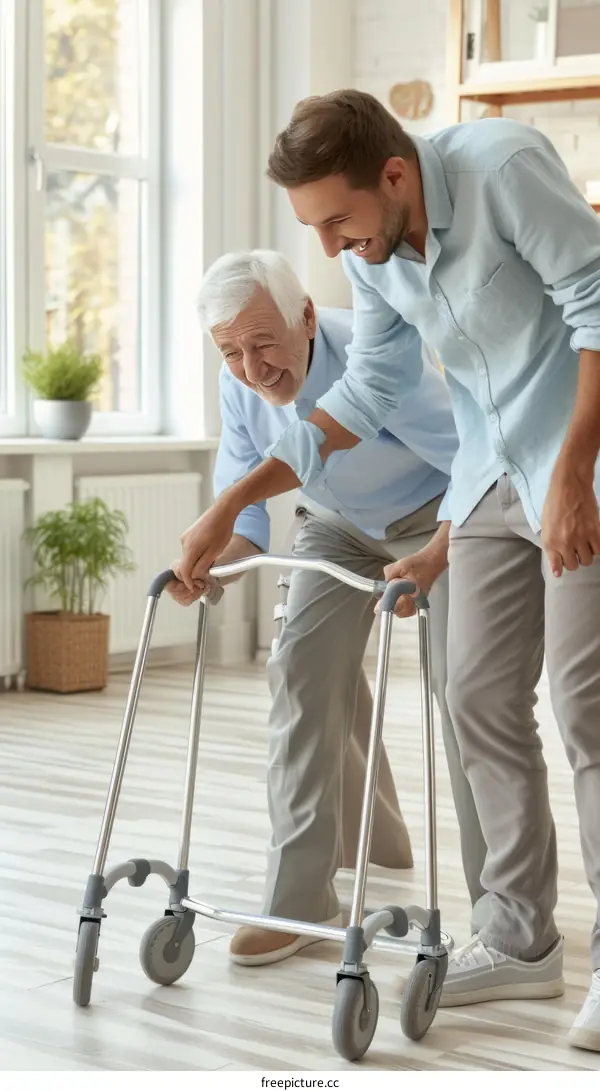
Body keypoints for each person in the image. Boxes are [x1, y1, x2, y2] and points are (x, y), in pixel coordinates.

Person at [174, 92, 600, 1049]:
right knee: (477, 695)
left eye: (337, 219)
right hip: (490, 473)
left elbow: (598, 298)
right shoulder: (373, 254)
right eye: (311, 226)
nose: (328, 247)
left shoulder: (503, 169)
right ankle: (520, 938)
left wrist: (575, 472)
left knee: (586, 704)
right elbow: (371, 387)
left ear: (397, 177)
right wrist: (228, 505)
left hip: (584, 454)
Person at [168, 248, 488, 966]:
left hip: (438, 513)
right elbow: (242, 487)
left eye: (262, 344)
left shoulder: (376, 354)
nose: (251, 368)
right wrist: (216, 560)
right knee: (301, 672)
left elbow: (473, 455)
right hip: (336, 524)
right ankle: (300, 896)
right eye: (231, 353)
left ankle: (501, 914)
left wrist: (441, 550)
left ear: (306, 316)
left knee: (464, 696)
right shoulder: (239, 383)